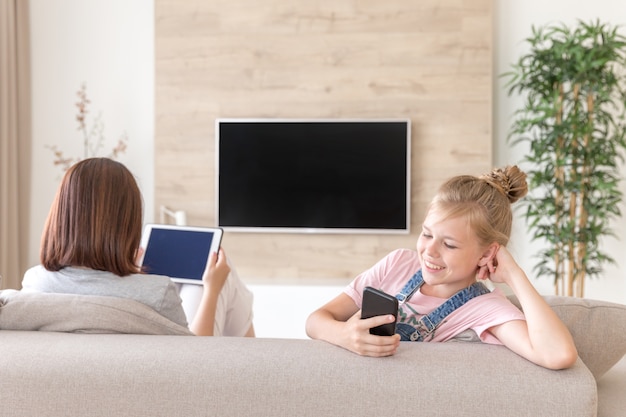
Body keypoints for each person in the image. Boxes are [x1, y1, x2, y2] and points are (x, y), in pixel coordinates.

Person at [305, 165, 578, 370]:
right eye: (426, 234)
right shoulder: (397, 263)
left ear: (487, 253)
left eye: (449, 245)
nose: (429, 251)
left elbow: (557, 354)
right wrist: (344, 335)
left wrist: (515, 275)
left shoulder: (485, 308)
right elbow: (316, 320)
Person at [22, 157, 254, 337]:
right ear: (127, 223)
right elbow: (192, 362)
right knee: (218, 272)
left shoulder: (34, 283)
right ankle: (254, 365)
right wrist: (212, 290)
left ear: (60, 215)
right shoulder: (157, 292)